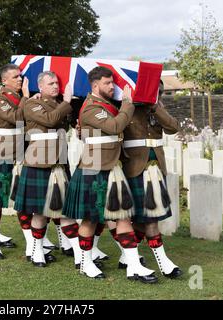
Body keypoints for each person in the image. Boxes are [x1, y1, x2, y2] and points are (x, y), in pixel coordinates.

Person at [62, 66, 158, 283]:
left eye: (112, 82)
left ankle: (133, 266)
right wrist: (127, 103)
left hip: (111, 167)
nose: (112, 86)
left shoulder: (105, 105)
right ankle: (86, 264)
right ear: (95, 85)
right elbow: (115, 126)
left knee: (122, 216)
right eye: (108, 83)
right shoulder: (90, 108)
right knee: (90, 220)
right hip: (94, 168)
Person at [120, 80, 183, 279]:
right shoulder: (127, 107)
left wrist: (156, 106)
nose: (159, 94)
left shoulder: (157, 108)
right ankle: (164, 263)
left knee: (145, 219)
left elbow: (174, 127)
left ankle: (127, 259)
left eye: (160, 91)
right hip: (134, 168)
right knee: (147, 219)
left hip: (155, 168)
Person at [14, 71, 73, 267]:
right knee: (39, 212)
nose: (56, 86)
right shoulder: (33, 103)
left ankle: (81, 253)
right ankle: (37, 250)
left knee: (65, 210)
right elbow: (50, 120)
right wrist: (66, 102)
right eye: (51, 83)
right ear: (40, 87)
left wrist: (68, 102)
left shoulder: (58, 104)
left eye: (57, 82)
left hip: (59, 163)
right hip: (39, 163)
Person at [0, 64, 32, 259]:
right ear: (4, 80)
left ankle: (31, 244)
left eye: (21, 76)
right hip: (2, 152)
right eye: (16, 77)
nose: (20, 79)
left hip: (22, 152)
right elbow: (17, 118)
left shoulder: (21, 97)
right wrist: (27, 98)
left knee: (24, 198)